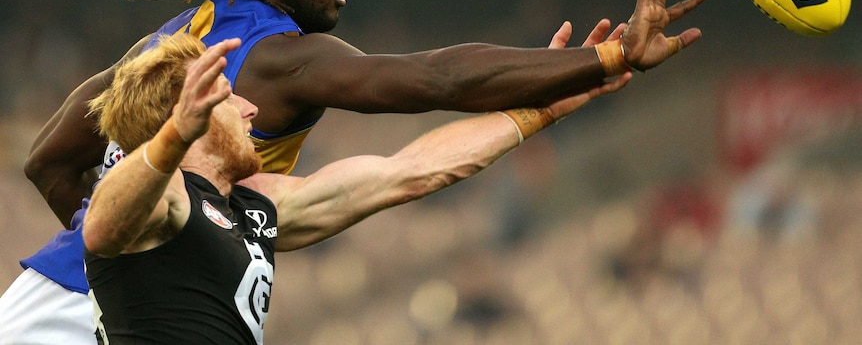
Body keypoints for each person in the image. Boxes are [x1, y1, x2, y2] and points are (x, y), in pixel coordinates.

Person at [0, 0, 710, 344]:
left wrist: (539, 107)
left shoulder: (177, 36)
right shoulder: (281, 57)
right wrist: (609, 54)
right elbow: (435, 79)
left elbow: (49, 160)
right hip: (64, 321)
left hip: (68, 302)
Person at [84, 33, 630, 343]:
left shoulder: (257, 204)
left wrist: (541, 108)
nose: (250, 107)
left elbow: (414, 170)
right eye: (230, 97)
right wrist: (174, 135)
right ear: (191, 115)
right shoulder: (166, 197)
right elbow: (103, 225)